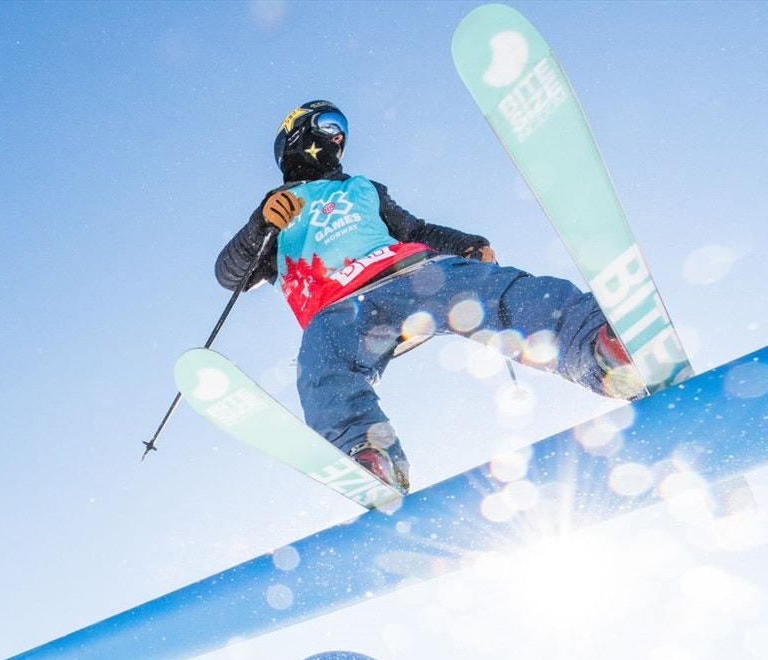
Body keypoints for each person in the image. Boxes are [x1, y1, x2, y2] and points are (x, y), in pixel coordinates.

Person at [214, 100, 644, 494]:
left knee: (494, 294)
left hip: (410, 275)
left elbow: (416, 230)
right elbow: (230, 274)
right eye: (329, 125)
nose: (339, 138)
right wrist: (260, 225)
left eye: (342, 130)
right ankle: (368, 454)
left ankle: (598, 347)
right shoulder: (278, 210)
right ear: (297, 134)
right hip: (336, 311)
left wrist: (467, 243)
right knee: (321, 366)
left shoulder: (362, 189)